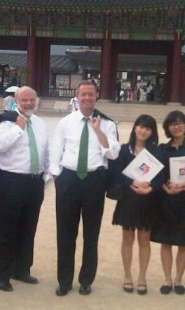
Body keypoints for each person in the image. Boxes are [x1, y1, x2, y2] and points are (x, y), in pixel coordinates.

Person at [50, 80, 121, 296]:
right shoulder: (66, 122)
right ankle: (64, 280)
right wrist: (57, 176)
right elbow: (56, 150)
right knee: (65, 234)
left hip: (93, 181)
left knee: (91, 234)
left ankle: (86, 279)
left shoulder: (107, 123)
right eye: (83, 94)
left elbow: (113, 154)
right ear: (77, 96)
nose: (87, 98)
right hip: (69, 179)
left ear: (97, 96)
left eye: (91, 94)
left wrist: (99, 131)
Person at [0, 86, 49, 292]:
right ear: (16, 100)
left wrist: (45, 174)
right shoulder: (5, 121)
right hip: (10, 182)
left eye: (32, 100)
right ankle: (2, 274)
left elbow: (45, 150)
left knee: (27, 228)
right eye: (24, 100)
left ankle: (22, 269)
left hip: (34, 183)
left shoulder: (41, 123)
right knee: (5, 229)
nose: (29, 103)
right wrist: (18, 128)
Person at [150, 110, 185, 296]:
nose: (177, 126)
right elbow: (158, 175)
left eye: (180, 123)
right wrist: (167, 189)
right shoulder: (162, 150)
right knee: (166, 241)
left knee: (184, 241)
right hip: (166, 199)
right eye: (173, 123)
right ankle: (167, 279)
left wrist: (182, 185)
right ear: (167, 128)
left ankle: (179, 279)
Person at [112, 114, 164, 295]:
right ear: (135, 128)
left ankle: (142, 277)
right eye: (141, 127)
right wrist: (131, 183)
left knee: (144, 239)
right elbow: (116, 172)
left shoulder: (156, 152)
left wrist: (150, 188)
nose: (143, 131)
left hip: (147, 200)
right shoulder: (123, 150)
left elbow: (162, 177)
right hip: (128, 199)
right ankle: (127, 276)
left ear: (152, 132)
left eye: (148, 128)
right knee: (127, 238)